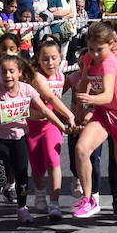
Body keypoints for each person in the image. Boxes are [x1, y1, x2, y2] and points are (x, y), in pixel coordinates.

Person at [0, 52, 71, 224]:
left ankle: (22, 208)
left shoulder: (28, 90)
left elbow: (46, 110)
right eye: (3, 72)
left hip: (20, 138)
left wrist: (62, 127)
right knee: (1, 172)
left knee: (21, 174)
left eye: (11, 71)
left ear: (19, 73)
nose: (8, 75)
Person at [71, 21, 117, 219]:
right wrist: (78, 112)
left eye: (99, 50)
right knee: (81, 149)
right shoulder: (88, 58)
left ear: (111, 44)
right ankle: (89, 199)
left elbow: (108, 96)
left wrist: (89, 99)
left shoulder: (109, 62)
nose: (94, 54)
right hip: (102, 113)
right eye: (91, 49)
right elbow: (84, 82)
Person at [29, 38, 76, 221]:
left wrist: (67, 118)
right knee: (37, 167)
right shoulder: (36, 76)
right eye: (45, 59)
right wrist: (69, 115)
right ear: (38, 60)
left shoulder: (61, 76)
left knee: (53, 160)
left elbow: (56, 100)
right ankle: (40, 192)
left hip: (51, 125)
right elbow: (49, 96)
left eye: (54, 58)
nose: (50, 63)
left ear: (60, 58)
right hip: (32, 126)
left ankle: (54, 203)